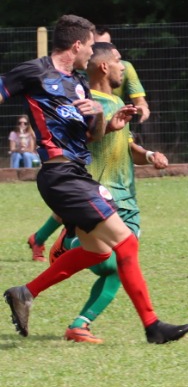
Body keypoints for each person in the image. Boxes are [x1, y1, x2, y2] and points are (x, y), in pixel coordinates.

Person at [0, 15, 188, 344]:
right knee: (126, 243)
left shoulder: (77, 83)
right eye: (90, 46)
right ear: (77, 45)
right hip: (59, 174)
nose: (92, 53)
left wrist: (106, 122)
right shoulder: (34, 71)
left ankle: (25, 292)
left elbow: (90, 137)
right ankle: (152, 327)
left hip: (76, 172)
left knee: (99, 252)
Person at [48, 40, 173, 343]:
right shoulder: (90, 104)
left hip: (122, 197)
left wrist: (148, 156)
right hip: (104, 198)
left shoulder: (114, 104)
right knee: (118, 262)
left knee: (118, 265)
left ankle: (79, 323)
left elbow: (126, 146)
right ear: (104, 66)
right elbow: (77, 145)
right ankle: (63, 252)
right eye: (119, 61)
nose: (124, 66)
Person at [25, 27, 149, 260]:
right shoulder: (77, 84)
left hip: (113, 123)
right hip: (92, 131)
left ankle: (43, 243)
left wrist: (136, 113)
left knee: (79, 203)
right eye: (92, 46)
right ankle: (59, 244)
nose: (94, 50)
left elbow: (141, 101)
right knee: (79, 197)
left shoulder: (124, 70)